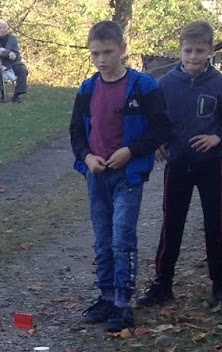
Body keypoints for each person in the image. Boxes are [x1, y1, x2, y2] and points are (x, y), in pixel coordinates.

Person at [70, 21, 171, 334]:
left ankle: (123, 302)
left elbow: (161, 128)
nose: (102, 60)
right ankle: (106, 296)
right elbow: (76, 131)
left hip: (128, 174)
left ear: (123, 49)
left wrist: (131, 151)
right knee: (102, 238)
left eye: (108, 52)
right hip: (97, 174)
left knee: (122, 238)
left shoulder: (143, 86)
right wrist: (87, 157)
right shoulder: (88, 88)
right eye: (95, 54)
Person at [137, 20, 222, 311]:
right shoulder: (166, 84)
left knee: (214, 222)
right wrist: (157, 141)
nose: (193, 57)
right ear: (180, 51)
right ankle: (163, 283)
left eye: (199, 51)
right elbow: (156, 120)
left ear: (210, 51)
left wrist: (218, 137)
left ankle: (220, 284)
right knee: (171, 222)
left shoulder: (221, 85)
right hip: (177, 164)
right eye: (188, 51)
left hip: (211, 165)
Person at [0, 20, 28, 103]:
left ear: (7, 28)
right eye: (0, 28)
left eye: (4, 28)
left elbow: (16, 53)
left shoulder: (12, 39)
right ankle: (3, 94)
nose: (2, 29)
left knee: (23, 70)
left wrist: (4, 51)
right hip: (0, 63)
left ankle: (16, 95)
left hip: (13, 63)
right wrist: (9, 53)